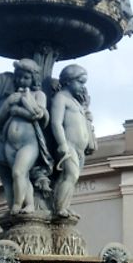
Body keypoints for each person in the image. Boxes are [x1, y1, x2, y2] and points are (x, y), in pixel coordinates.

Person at [0, 59, 52, 214]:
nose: (22, 80)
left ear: (33, 79)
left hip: (29, 143)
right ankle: (29, 205)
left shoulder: (38, 94)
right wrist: (9, 103)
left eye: (26, 77)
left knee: (18, 172)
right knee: (21, 175)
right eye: (19, 77)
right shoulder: (12, 97)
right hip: (9, 144)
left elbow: (39, 114)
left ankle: (16, 206)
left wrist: (20, 107)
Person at [50, 64, 96, 217]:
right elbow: (56, 122)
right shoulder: (61, 98)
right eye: (80, 82)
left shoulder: (76, 102)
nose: (83, 87)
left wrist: (86, 109)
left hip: (80, 149)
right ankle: (59, 209)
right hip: (68, 145)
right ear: (69, 81)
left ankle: (64, 206)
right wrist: (62, 143)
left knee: (72, 178)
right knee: (71, 175)